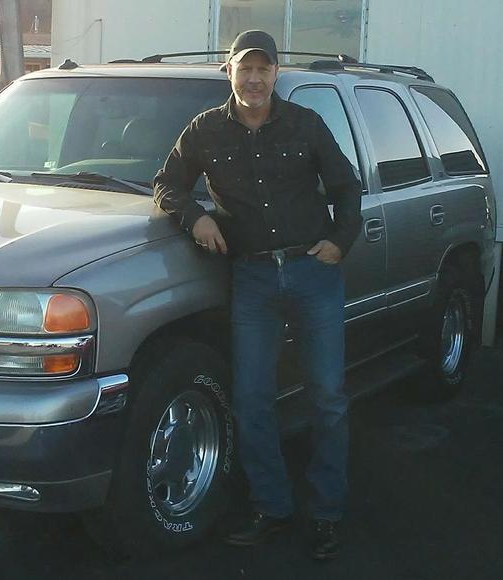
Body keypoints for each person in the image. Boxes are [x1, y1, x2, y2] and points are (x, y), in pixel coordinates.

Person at [153, 29, 362, 560]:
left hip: (312, 271)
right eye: (244, 68)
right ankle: (272, 506)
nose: (253, 79)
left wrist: (340, 241)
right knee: (251, 400)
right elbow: (167, 184)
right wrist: (195, 217)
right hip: (252, 278)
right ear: (229, 71)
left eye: (262, 69)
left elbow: (346, 186)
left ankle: (327, 514)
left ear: (275, 74)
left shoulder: (305, 124)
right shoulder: (204, 130)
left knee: (327, 396)